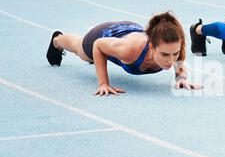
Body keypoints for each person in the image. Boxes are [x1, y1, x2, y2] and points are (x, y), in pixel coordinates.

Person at [46, 11, 202, 95]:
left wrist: (181, 78)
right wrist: (103, 83)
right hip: (104, 35)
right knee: (81, 51)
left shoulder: (173, 46)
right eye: (165, 55)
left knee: (95, 57)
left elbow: (179, 60)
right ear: (152, 47)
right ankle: (57, 40)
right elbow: (98, 45)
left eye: (174, 54)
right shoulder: (129, 50)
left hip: (131, 31)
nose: (171, 60)